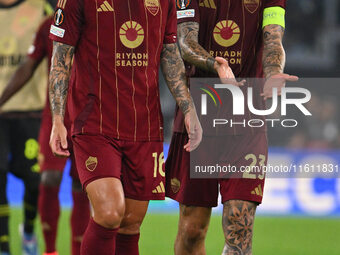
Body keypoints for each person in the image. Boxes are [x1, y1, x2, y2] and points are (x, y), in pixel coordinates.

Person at [48, 0, 202, 254]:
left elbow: (170, 53)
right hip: (94, 122)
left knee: (130, 223)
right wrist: (57, 118)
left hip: (145, 125)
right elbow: (61, 58)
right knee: (109, 212)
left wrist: (188, 108)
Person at [165, 0, 298, 254]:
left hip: (247, 117)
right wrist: (216, 65)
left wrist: (272, 73)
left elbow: (273, 40)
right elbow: (185, 42)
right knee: (192, 229)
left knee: (240, 227)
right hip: (199, 115)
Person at [0, 16, 90, 255]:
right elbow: (28, 66)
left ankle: (77, 250)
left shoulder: (98, 21)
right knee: (49, 178)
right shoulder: (49, 25)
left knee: (82, 185)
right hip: (56, 115)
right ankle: (49, 250)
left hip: (89, 115)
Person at [0, 0, 52, 254]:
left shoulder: (42, 7)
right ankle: (4, 245)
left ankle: (28, 232)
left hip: (31, 112)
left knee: (34, 181)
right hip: (0, 116)